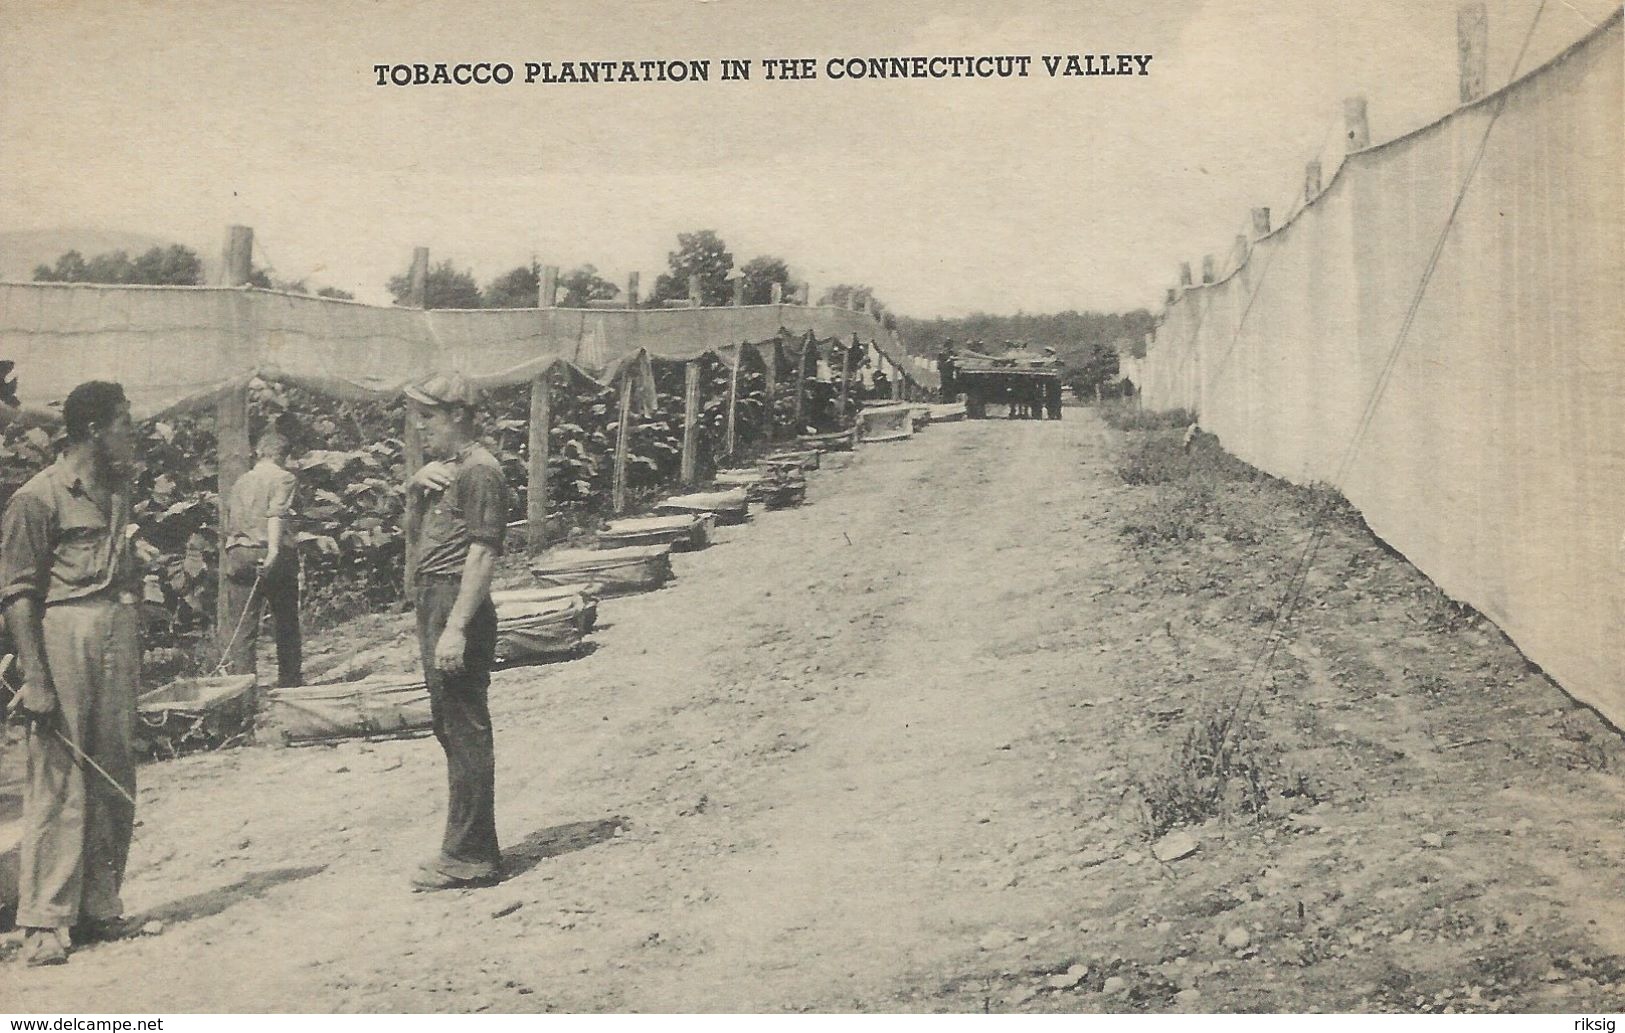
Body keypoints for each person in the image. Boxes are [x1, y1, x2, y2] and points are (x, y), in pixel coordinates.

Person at [0, 381, 140, 966]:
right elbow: (17, 594)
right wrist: (35, 676)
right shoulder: (38, 497)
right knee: (59, 775)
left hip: (115, 629)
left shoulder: (117, 488)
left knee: (114, 768)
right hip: (61, 632)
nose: (131, 435)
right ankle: (44, 919)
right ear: (94, 431)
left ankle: (100, 906)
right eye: (124, 425)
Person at [403, 372, 511, 892]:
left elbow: (483, 552)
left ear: (460, 417)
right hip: (436, 600)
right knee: (450, 725)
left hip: (454, 602)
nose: (422, 428)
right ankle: (469, 846)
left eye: (430, 417)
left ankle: (470, 856)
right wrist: (413, 486)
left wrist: (456, 629)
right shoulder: (454, 471)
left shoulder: (482, 472)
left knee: (464, 726)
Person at [221, 428, 301, 687]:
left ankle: (242, 694)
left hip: (239, 552)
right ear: (283, 456)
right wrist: (275, 550)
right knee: (286, 621)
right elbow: (276, 514)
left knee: (243, 629)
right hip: (269, 550)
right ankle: (290, 685)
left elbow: (230, 519)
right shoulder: (284, 478)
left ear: (259, 453)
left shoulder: (241, 480)